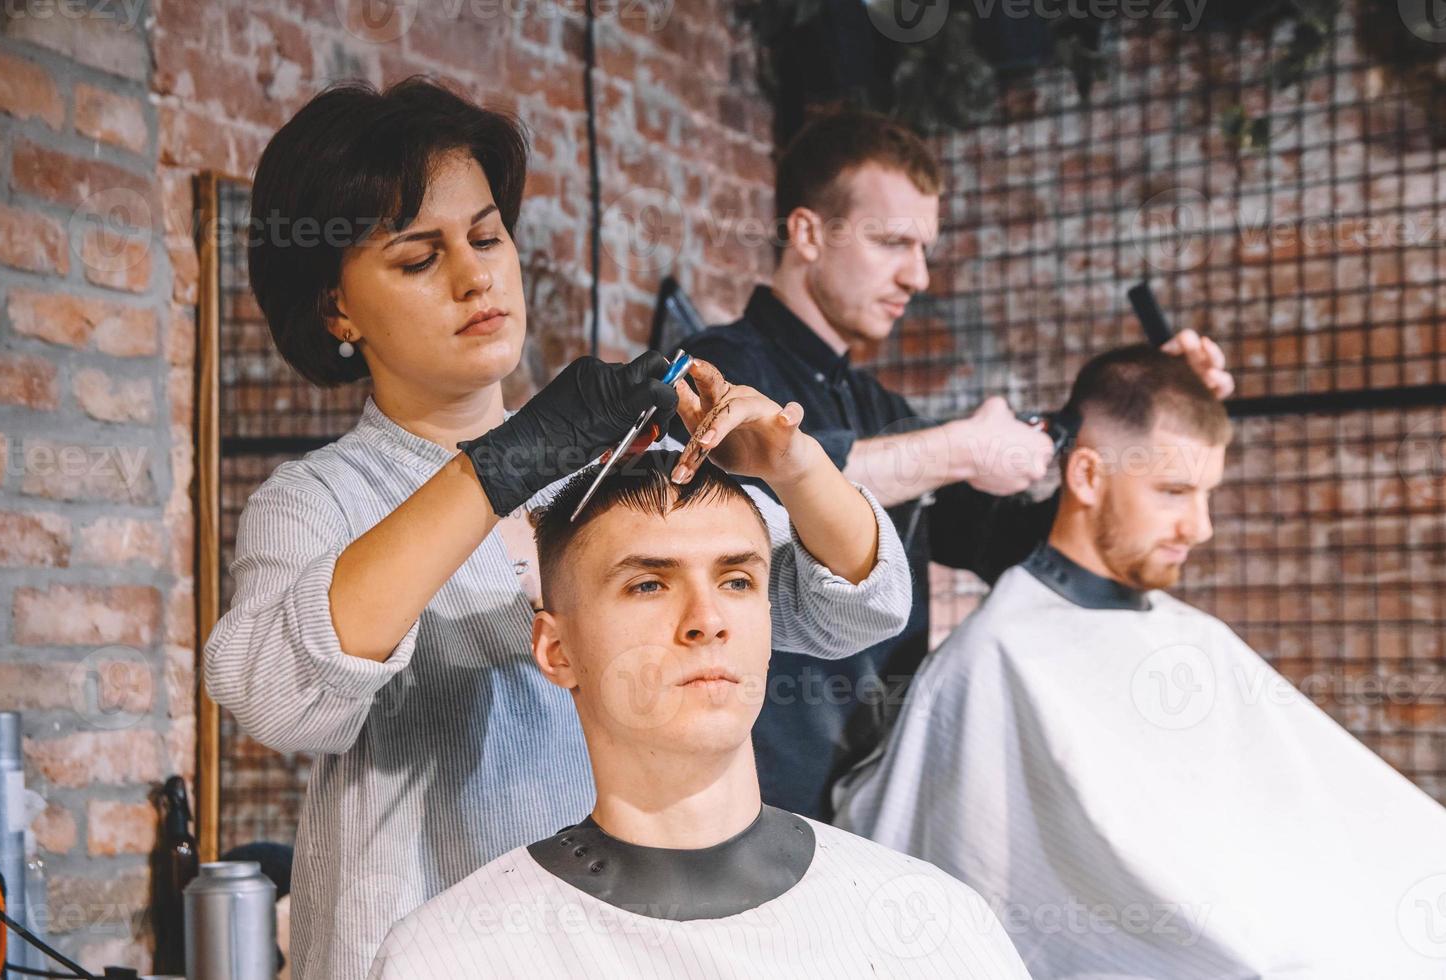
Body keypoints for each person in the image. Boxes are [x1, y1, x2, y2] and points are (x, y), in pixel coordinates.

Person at [204, 78, 913, 980]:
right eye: (419, 259)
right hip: (416, 944)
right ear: (337, 309)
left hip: (617, 946)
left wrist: (794, 465)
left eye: (487, 235)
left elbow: (861, 604)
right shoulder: (320, 500)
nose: (475, 277)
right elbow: (275, 694)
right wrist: (505, 461)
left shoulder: (614, 479)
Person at [677, 108, 1238, 820]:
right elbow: (761, 486)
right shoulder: (713, 374)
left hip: (874, 797)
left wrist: (1130, 406)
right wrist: (957, 450)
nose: (918, 275)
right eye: (891, 243)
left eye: (925, 247)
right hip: (756, 794)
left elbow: (1008, 544)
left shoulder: (880, 407)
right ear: (808, 233)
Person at [833, 345, 1446, 978]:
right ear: (1089, 477)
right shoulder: (999, 658)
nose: (1200, 527)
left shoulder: (1192, 636)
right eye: (1175, 492)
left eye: (1206, 493)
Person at [367, 453, 1031, 979]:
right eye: (649, 584)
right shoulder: (453, 957)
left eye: (736, 581)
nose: (707, 620)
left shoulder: (929, 921)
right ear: (557, 650)